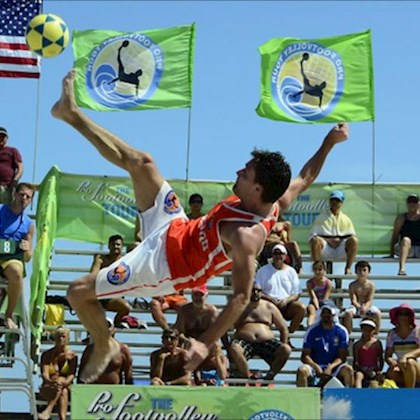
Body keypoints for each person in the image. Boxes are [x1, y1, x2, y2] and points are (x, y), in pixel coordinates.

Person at [53, 69, 349, 383]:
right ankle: (70, 113)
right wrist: (329, 142)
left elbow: (239, 298)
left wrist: (204, 344)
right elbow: (306, 177)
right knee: (143, 162)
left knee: (77, 292)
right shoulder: (275, 201)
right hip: (174, 226)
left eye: (245, 174)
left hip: (164, 267)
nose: (238, 171)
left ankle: (104, 342)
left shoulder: (247, 236)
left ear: (258, 190)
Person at [228, 283, 291, 381]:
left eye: (258, 290)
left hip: (266, 341)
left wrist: (283, 343)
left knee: (286, 349)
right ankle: (246, 376)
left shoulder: (269, 306)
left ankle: (269, 377)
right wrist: (226, 345)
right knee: (234, 347)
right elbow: (224, 326)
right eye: (253, 290)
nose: (255, 293)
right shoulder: (239, 306)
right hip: (245, 341)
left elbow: (283, 328)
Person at [0, 182, 35, 330]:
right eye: (22, 195)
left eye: (28, 197)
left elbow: (28, 257)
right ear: (15, 194)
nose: (24, 199)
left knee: (17, 273)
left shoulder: (29, 224)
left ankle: (8, 315)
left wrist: (27, 249)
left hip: (10, 258)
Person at [296, 303, 353, 388]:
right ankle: (303, 398)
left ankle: (349, 396)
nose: (326, 315)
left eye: (329, 313)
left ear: (333, 315)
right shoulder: (312, 331)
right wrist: (315, 366)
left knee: (348, 370)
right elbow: (305, 355)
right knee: (302, 370)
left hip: (334, 368)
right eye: (324, 312)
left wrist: (330, 367)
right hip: (315, 365)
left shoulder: (341, 331)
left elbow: (342, 357)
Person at [255, 244, 306, 334]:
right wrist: (271, 299)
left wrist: (286, 301)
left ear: (285, 256)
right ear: (272, 255)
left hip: (287, 305)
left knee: (300, 308)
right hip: (268, 304)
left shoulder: (291, 271)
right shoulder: (262, 271)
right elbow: (258, 291)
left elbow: (296, 293)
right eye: (276, 253)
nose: (278, 256)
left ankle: (289, 333)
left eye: (281, 253)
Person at [309, 190, 358, 274]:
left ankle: (348, 268)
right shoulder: (321, 217)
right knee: (315, 241)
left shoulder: (346, 219)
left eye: (337, 200)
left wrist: (339, 240)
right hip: (326, 248)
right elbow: (313, 236)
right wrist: (329, 240)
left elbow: (350, 236)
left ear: (342, 202)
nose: (334, 202)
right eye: (332, 200)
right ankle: (318, 269)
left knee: (354, 240)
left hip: (341, 249)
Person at [90, 234, 132, 327]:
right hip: (101, 294)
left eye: (118, 245)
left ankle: (114, 328)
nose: (116, 247)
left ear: (122, 247)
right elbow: (93, 275)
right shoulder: (101, 258)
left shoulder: (125, 261)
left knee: (126, 307)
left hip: (116, 296)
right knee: (94, 315)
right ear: (109, 246)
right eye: (113, 244)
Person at [78, 318, 133, 385]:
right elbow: (81, 374)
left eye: (108, 326)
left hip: (116, 391)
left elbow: (128, 375)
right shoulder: (90, 349)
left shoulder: (123, 349)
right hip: (93, 391)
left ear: (113, 330)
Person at [38, 327, 77, 420]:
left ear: (68, 338)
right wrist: (51, 382)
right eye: (58, 336)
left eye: (63, 336)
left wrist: (63, 382)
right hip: (49, 386)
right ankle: (62, 418)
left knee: (61, 382)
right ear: (54, 338)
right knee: (63, 392)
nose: (60, 339)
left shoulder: (72, 356)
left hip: (65, 385)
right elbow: (45, 374)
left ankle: (48, 410)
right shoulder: (47, 354)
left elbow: (71, 375)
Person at [385, 304, 420, 388]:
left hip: (417, 365)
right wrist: (391, 362)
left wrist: (406, 356)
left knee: (410, 362)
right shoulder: (392, 334)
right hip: (400, 365)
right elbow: (387, 355)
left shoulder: (417, 331)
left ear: (410, 317)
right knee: (392, 371)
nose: (403, 317)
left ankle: (409, 393)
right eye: (400, 314)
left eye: (406, 314)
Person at [343, 261, 381, 335]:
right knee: (348, 313)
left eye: (364, 270)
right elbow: (353, 300)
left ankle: (376, 333)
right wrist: (359, 307)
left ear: (368, 272)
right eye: (359, 270)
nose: (362, 273)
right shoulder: (352, 285)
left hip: (367, 306)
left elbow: (370, 300)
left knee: (377, 313)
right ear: (356, 272)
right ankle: (347, 334)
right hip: (356, 306)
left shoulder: (371, 285)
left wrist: (365, 308)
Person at [389, 193, 420, 275]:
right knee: (406, 240)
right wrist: (391, 253)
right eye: (410, 201)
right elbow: (395, 236)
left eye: (414, 201)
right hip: (406, 249)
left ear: (419, 203)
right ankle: (402, 269)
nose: (412, 204)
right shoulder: (401, 218)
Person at [353, 318, 384, 388]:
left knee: (380, 375)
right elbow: (356, 362)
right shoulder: (357, 345)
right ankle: (358, 392)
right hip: (362, 370)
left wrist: (376, 370)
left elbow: (381, 359)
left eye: (369, 329)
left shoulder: (377, 343)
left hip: (374, 369)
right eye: (365, 329)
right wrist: (364, 371)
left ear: (373, 330)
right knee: (358, 375)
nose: (367, 331)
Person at [0, 127, 24, 204]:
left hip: (6, 187)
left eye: (3, 137)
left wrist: (15, 180)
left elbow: (20, 167)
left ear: (6, 139)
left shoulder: (12, 151)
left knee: (4, 209)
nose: (1, 138)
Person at [306, 260, 333, 326]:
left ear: (324, 270)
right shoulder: (310, 282)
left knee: (327, 312)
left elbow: (325, 298)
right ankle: (310, 328)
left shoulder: (328, 283)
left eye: (320, 269)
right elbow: (313, 297)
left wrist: (321, 307)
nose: (317, 272)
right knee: (312, 311)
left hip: (325, 302)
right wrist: (317, 307)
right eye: (315, 269)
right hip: (313, 302)